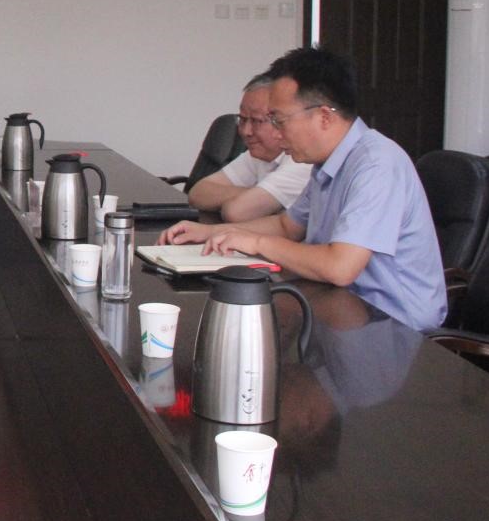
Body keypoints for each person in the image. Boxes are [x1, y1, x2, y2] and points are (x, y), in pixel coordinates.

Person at [162, 46, 445, 331]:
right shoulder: (326, 163)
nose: (276, 133)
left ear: (324, 117)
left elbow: (340, 267)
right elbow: (287, 226)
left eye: (279, 120)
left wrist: (256, 243)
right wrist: (214, 233)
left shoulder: (376, 165)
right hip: (342, 307)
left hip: (395, 327)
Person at [187, 73, 311, 221]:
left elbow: (236, 212)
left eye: (257, 121)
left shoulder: (302, 161)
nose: (246, 131)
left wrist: (252, 197)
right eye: (243, 119)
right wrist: (258, 193)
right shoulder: (261, 153)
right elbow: (198, 193)